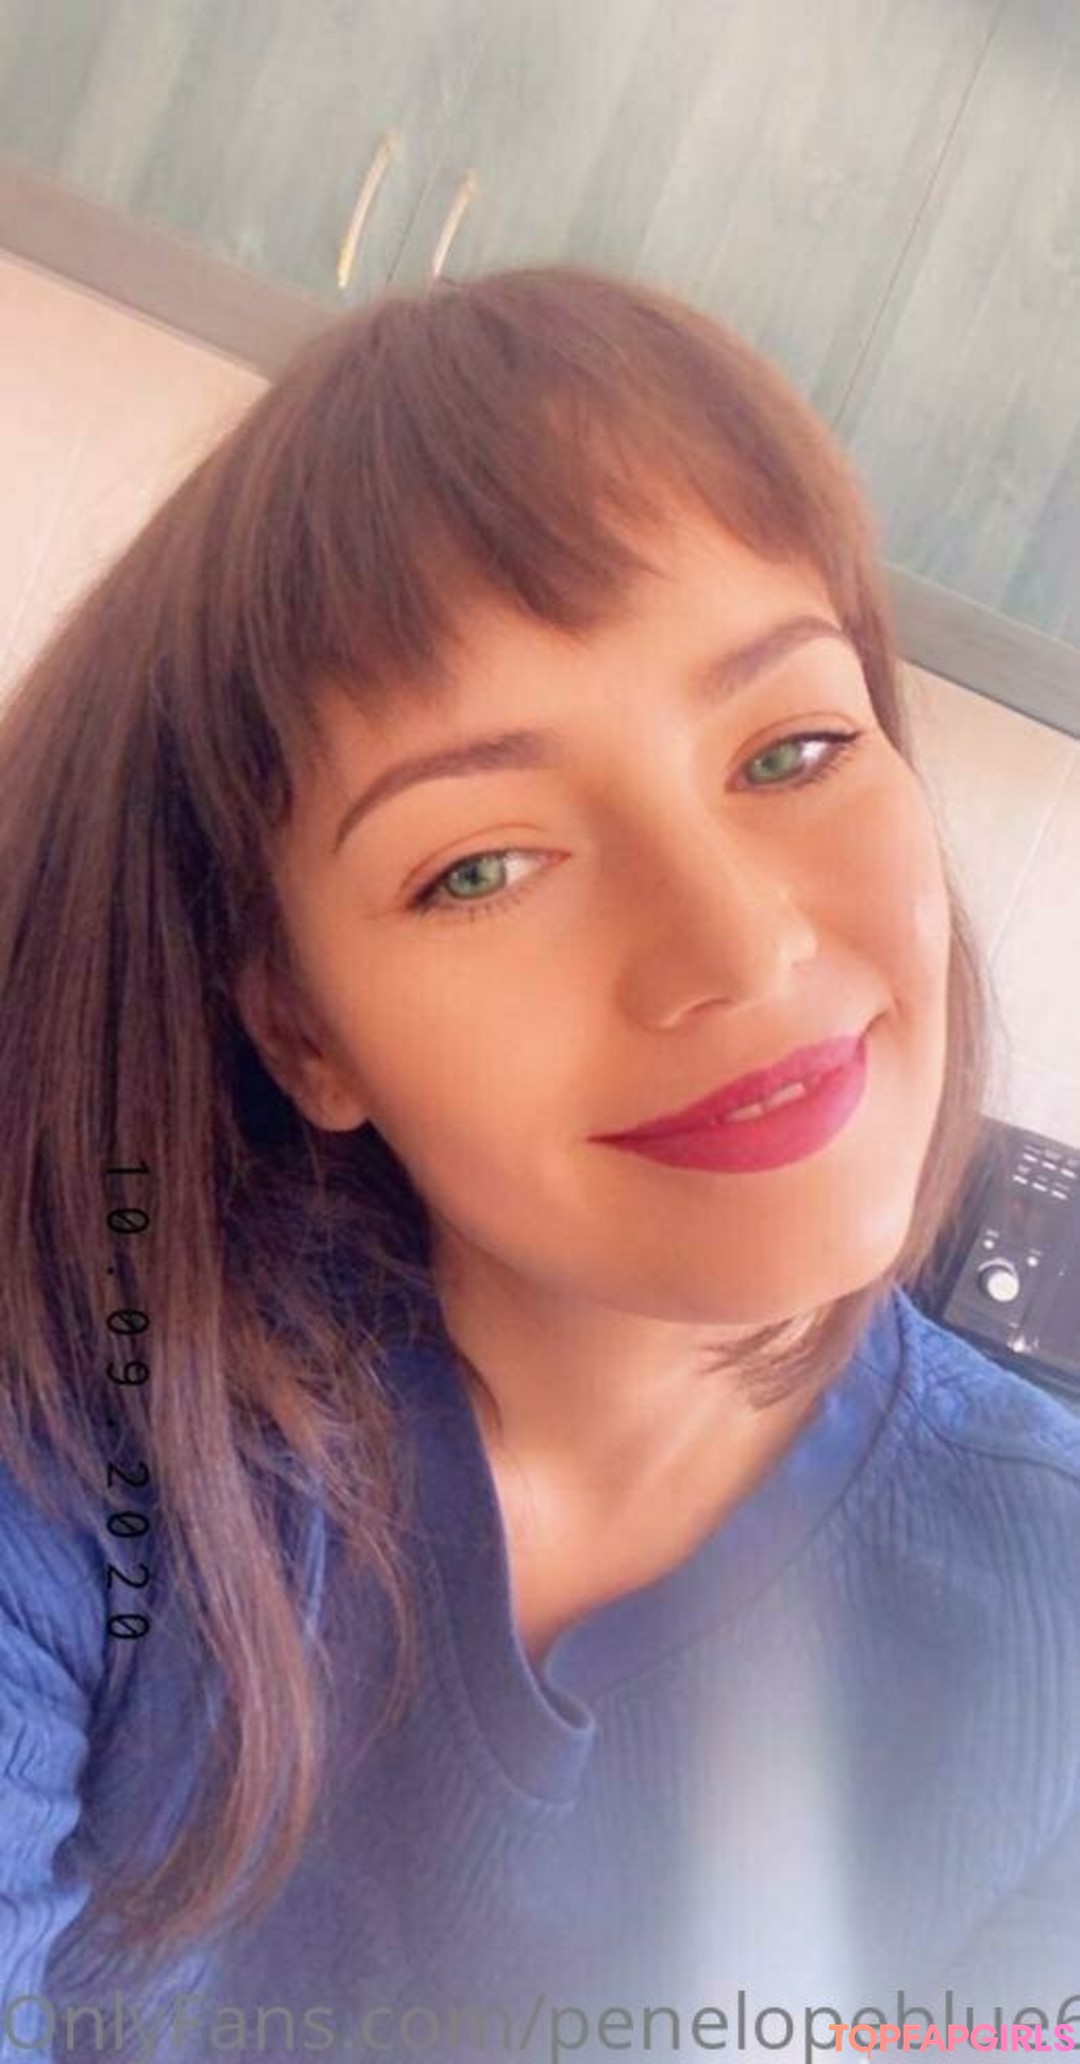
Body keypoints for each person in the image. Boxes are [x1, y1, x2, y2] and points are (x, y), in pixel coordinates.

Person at [1, 264, 1079, 2064]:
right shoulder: (99, 1428)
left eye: (795, 748)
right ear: (304, 1032)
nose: (737, 950)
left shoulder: (1050, 1631)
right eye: (482, 866)